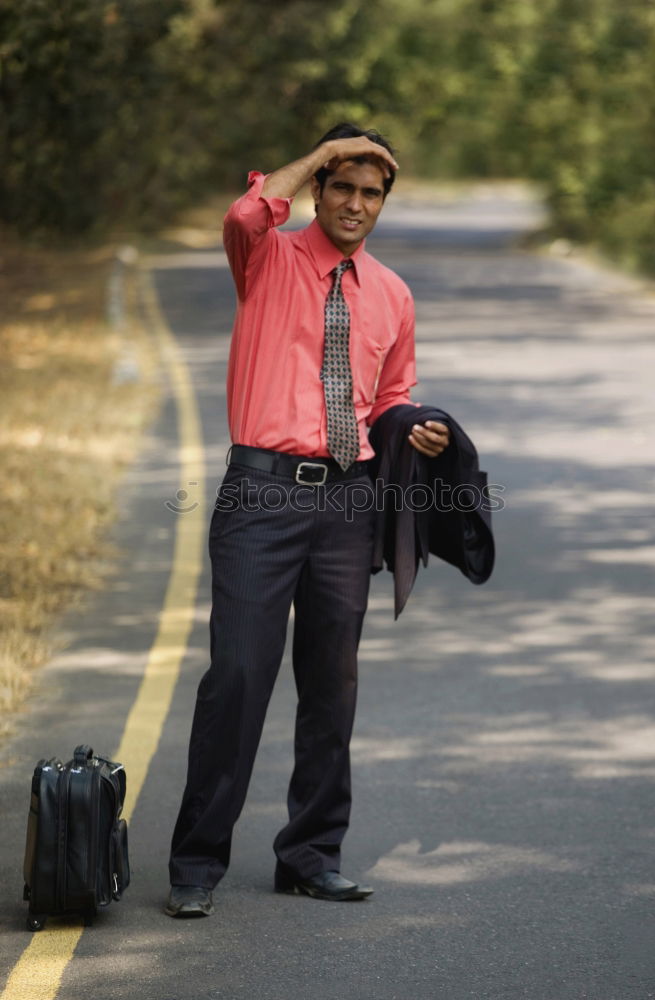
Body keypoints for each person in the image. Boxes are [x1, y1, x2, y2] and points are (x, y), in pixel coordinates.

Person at [165, 123, 449, 917]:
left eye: (370, 192)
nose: (356, 203)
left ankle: (311, 853)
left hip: (347, 501)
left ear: (381, 204)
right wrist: (323, 151)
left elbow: (390, 395)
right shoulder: (268, 255)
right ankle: (194, 863)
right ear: (319, 188)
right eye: (342, 185)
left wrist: (415, 425)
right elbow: (244, 211)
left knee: (332, 685)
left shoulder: (392, 293)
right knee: (240, 677)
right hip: (261, 494)